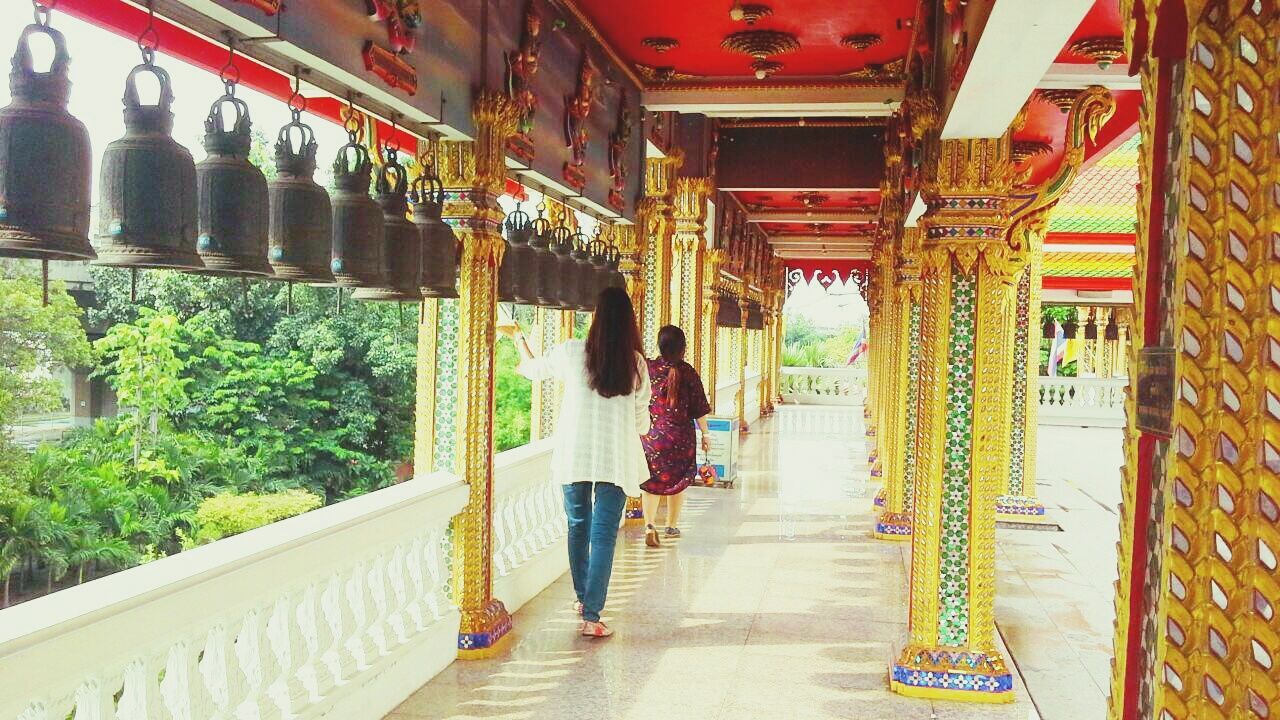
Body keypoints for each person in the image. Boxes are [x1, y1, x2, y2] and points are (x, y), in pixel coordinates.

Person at [514, 286, 651, 638]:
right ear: (629, 321)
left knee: (578, 525)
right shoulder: (635, 363)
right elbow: (641, 421)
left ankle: (581, 598)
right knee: (603, 533)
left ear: (596, 318)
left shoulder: (571, 352)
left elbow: (531, 370)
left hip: (575, 453)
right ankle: (592, 614)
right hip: (615, 458)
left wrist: (517, 337)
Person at [640, 325, 712, 548]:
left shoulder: (649, 369)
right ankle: (671, 525)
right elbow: (699, 408)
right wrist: (706, 434)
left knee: (651, 482)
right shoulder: (687, 372)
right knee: (677, 481)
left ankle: (650, 525)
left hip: (653, 437)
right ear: (683, 347)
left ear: (660, 346)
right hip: (682, 438)